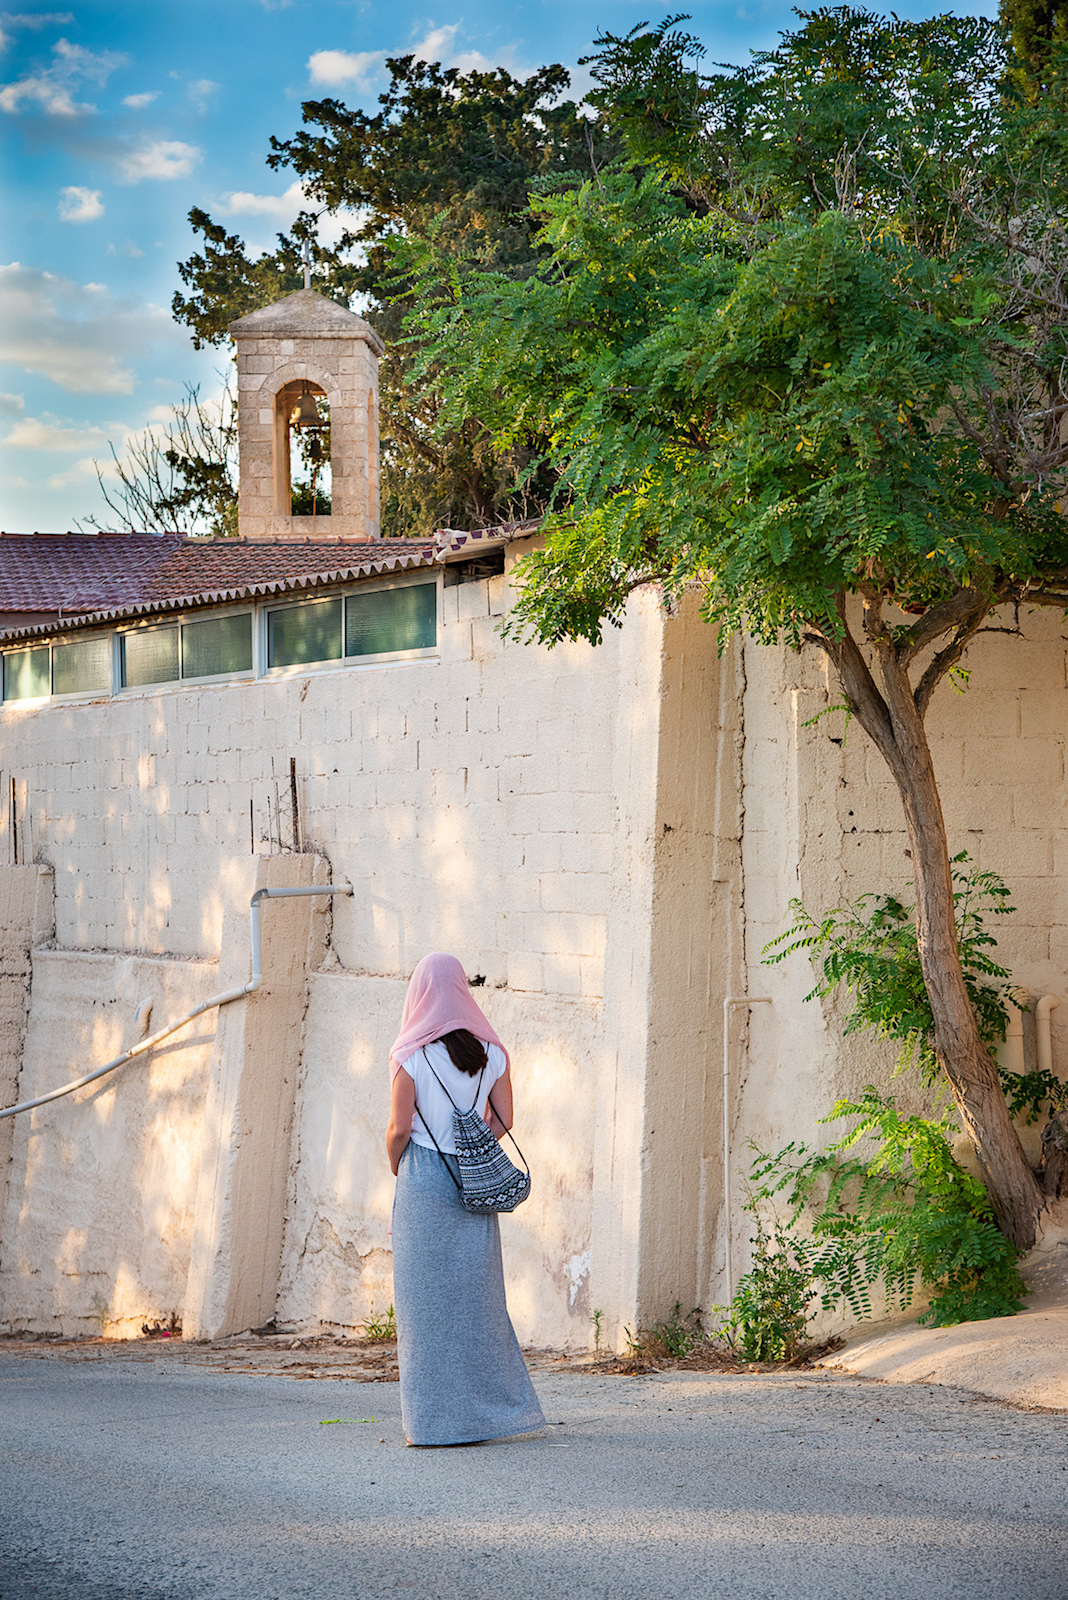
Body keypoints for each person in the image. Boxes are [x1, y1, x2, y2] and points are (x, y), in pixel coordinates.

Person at [386, 951, 546, 1447]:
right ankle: (488, 1418)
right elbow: (505, 1119)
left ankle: (428, 1427)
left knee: (423, 1308)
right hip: (474, 1183)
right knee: (477, 1304)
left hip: (423, 1180)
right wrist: (473, 1144)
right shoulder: (490, 1054)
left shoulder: (410, 1055)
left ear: (420, 993)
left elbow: (397, 1129)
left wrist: (400, 1165)